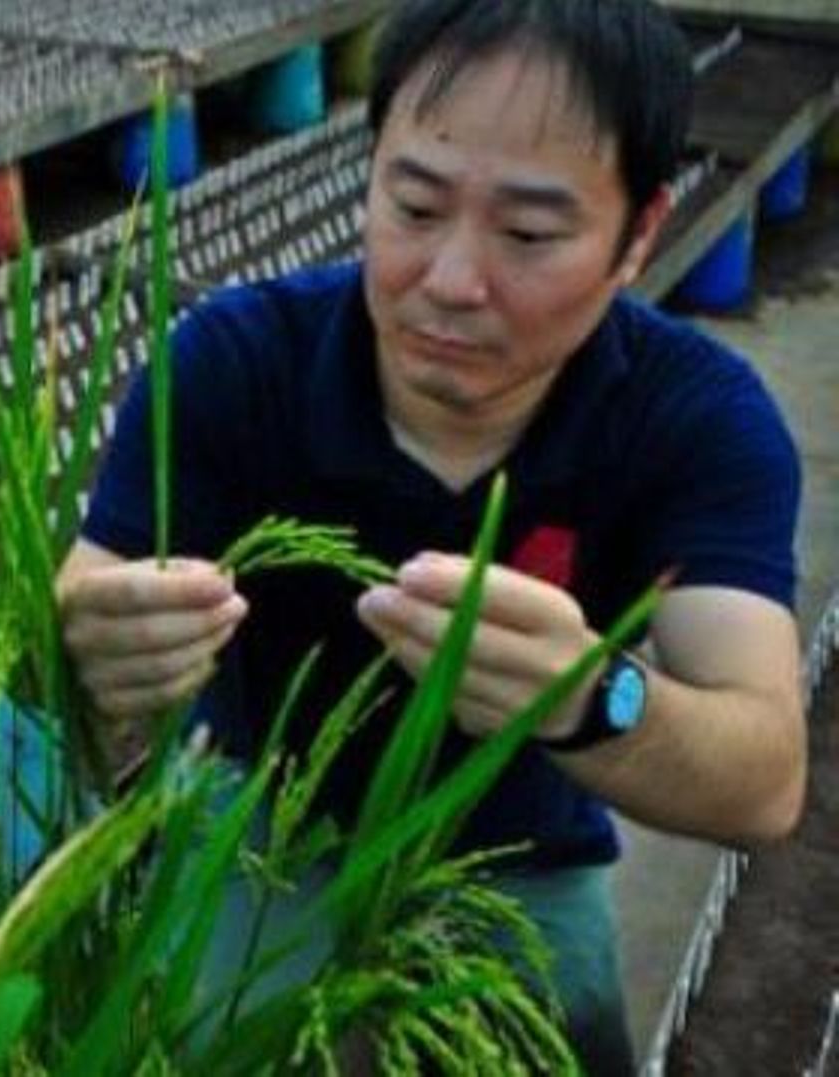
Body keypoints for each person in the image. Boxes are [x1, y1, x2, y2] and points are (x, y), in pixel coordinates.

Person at [53, 0, 807, 1071]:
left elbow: (766, 777)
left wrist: (595, 699)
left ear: (639, 233)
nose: (451, 282)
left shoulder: (697, 422)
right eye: (414, 206)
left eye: (530, 234)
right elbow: (82, 607)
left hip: (521, 852)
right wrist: (96, 650)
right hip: (254, 824)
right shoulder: (233, 362)